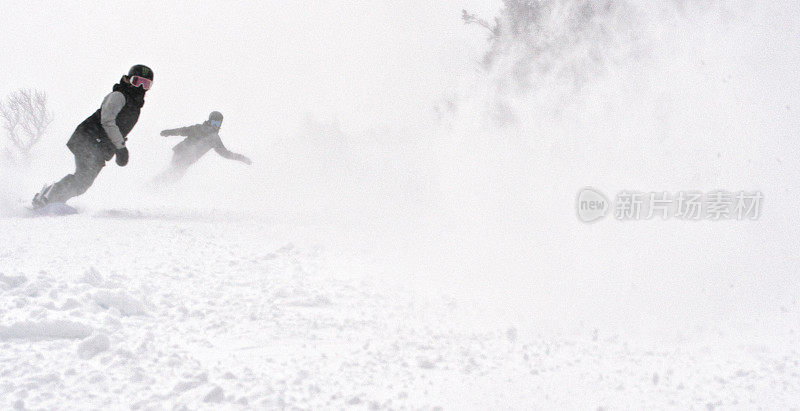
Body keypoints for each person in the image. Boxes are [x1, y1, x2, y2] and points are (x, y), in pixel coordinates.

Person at [32, 65, 154, 208]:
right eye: (136, 81)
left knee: (83, 182)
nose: (140, 87)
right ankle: (48, 199)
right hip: (88, 138)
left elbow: (118, 128)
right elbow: (107, 121)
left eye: (145, 84)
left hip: (99, 144)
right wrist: (120, 147)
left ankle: (49, 198)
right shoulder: (119, 96)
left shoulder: (134, 105)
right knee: (83, 179)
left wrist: (118, 147)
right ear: (128, 80)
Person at [156, 111, 252, 182]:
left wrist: (242, 158)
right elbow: (182, 130)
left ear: (220, 125)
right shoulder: (201, 130)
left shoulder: (213, 137)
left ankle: (154, 188)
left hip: (184, 155)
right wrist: (168, 132)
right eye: (213, 123)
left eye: (217, 124)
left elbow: (225, 153)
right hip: (182, 153)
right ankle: (153, 188)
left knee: (173, 174)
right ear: (209, 121)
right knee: (174, 174)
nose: (215, 126)